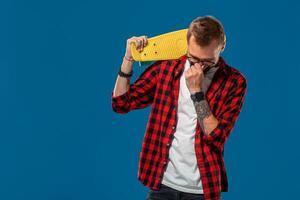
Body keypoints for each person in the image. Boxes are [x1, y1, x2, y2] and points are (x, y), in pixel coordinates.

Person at [111, 16, 247, 200]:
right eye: (192, 58)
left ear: (221, 47)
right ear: (187, 44)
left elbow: (216, 137)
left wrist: (197, 92)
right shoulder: (168, 68)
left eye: (206, 61)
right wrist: (128, 58)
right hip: (162, 184)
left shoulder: (234, 82)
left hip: (202, 190)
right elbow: (121, 104)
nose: (198, 66)